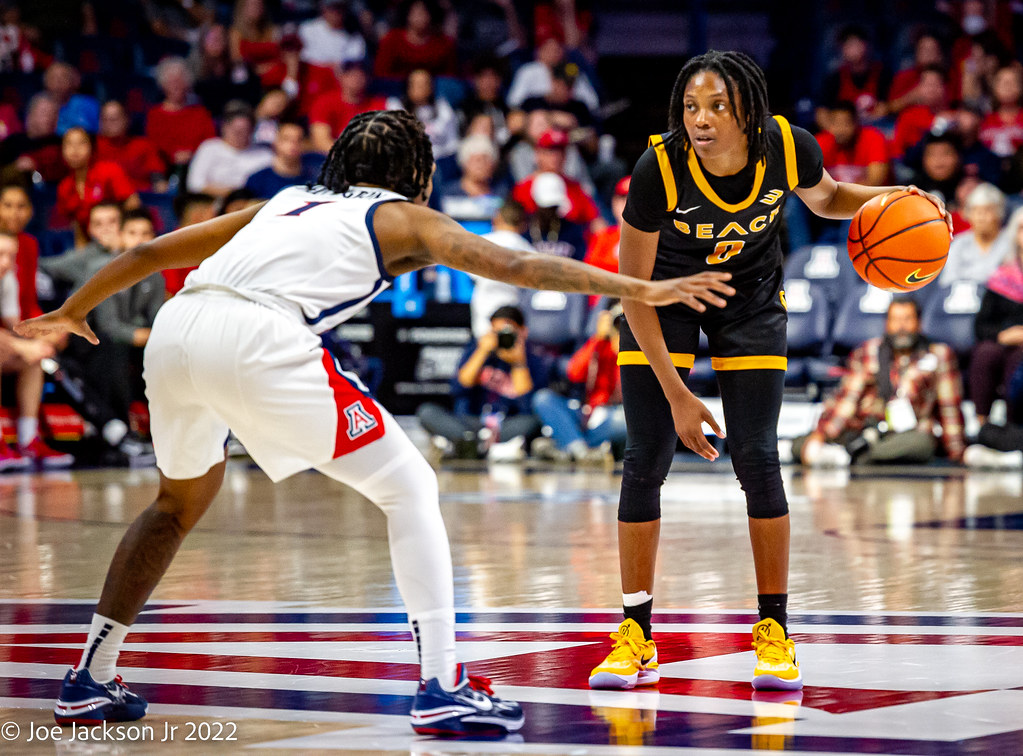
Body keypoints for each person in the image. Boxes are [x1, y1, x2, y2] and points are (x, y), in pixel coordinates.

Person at [19, 109, 730, 736]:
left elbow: (149, 253)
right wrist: (641, 286)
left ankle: (89, 677)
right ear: (415, 174)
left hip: (180, 327)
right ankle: (442, 687)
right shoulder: (400, 216)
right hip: (259, 336)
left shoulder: (287, 199)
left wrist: (75, 308)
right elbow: (514, 266)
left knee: (172, 506)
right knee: (410, 487)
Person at [586, 50, 951, 694]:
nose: (700, 119)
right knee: (645, 458)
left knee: (757, 456)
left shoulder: (787, 146)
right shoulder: (658, 169)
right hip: (665, 299)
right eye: (691, 107)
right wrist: (678, 396)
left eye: (717, 106)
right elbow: (632, 291)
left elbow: (833, 198)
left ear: (748, 112)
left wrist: (899, 198)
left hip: (750, 298)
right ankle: (635, 633)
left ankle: (774, 631)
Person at [792, 299, 965, 467]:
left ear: (919, 323)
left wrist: (958, 452)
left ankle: (849, 456)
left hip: (906, 434)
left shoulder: (939, 355)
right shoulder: (868, 351)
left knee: (922, 444)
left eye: (907, 319)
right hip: (862, 429)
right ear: (886, 324)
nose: (901, 327)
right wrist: (823, 434)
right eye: (895, 320)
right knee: (800, 444)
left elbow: (949, 407)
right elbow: (848, 397)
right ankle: (855, 454)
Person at [417, 304, 547, 462]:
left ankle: (465, 445)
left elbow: (528, 407)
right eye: (496, 332)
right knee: (427, 412)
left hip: (506, 424)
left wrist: (518, 363)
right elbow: (458, 388)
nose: (501, 338)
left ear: (523, 332)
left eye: (508, 332)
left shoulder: (533, 358)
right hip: (471, 421)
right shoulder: (477, 349)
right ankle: (477, 443)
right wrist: (482, 351)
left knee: (533, 423)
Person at [0, 232, 74, 470]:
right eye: (0, 255)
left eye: (11, 256)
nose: (6, 262)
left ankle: (27, 440)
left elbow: (15, 327)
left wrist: (45, 334)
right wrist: (21, 346)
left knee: (33, 359)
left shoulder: (8, 278)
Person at [532, 302, 625, 465]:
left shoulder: (636, 346)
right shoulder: (598, 343)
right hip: (585, 412)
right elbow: (574, 373)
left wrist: (622, 350)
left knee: (625, 421)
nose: (621, 323)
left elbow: (626, 390)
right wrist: (597, 338)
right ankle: (582, 451)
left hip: (613, 414)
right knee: (543, 399)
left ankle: (568, 446)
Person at [969, 211, 1023, 428]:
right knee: (985, 353)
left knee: (1018, 360)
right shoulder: (1002, 277)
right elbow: (981, 326)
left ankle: (1014, 430)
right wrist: (1003, 335)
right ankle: (982, 427)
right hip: (1003, 341)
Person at [56, 128, 140, 248]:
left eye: (81, 143)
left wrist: (124, 239)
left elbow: (133, 204)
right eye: (69, 144)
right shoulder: (64, 187)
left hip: (120, 241)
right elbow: (77, 226)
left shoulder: (110, 171)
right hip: (92, 246)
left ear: (92, 146)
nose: (75, 149)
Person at [467, 200, 534, 338]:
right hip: (515, 319)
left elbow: (471, 277)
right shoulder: (530, 252)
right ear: (523, 224)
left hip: (483, 320)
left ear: (497, 218)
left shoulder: (478, 243)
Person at [185, 100, 272, 197]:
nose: (239, 135)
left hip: (253, 205)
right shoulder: (209, 148)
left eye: (244, 131)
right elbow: (195, 184)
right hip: (214, 203)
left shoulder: (265, 155)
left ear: (252, 130)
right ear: (224, 128)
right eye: (236, 130)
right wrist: (232, 194)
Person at [145, 57, 217, 172]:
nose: (176, 86)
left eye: (180, 81)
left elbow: (210, 142)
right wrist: (174, 155)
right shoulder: (155, 114)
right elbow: (154, 146)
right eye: (171, 81)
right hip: (166, 169)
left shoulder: (200, 113)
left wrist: (192, 154)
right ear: (163, 85)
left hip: (198, 166)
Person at [308, 60, 387, 153]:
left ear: (367, 79)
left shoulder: (378, 104)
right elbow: (320, 140)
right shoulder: (324, 102)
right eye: (351, 75)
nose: (356, 80)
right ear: (341, 77)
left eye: (360, 76)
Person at [939, 182, 1008, 286]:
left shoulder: (1010, 243)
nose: (981, 217)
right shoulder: (959, 242)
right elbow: (947, 280)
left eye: (987, 211)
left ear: (999, 213)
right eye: (976, 211)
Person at [373, 0, 457, 80]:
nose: (420, 17)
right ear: (408, 14)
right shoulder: (392, 39)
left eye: (425, 12)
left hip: (434, 91)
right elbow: (381, 74)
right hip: (396, 90)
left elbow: (449, 77)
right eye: (417, 13)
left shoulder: (443, 43)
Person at [95, 101, 166, 193]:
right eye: (105, 119)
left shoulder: (144, 146)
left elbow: (159, 181)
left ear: (126, 119)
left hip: (141, 199)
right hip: (104, 200)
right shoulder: (93, 146)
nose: (110, 123)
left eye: (115, 119)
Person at [243, 120, 320, 198]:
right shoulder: (257, 180)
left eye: (299, 139)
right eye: (286, 139)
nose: (293, 144)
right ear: (276, 142)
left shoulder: (317, 175)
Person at [0, 184, 42, 320]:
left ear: (31, 211)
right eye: (8, 205)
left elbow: (30, 303)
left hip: (18, 322)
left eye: (21, 206)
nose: (14, 213)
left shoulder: (30, 243)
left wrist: (43, 325)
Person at [298, 0, 366, 68]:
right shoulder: (307, 29)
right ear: (323, 8)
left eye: (340, 7)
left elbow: (354, 62)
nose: (336, 12)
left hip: (341, 76)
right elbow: (304, 58)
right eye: (332, 8)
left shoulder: (354, 36)